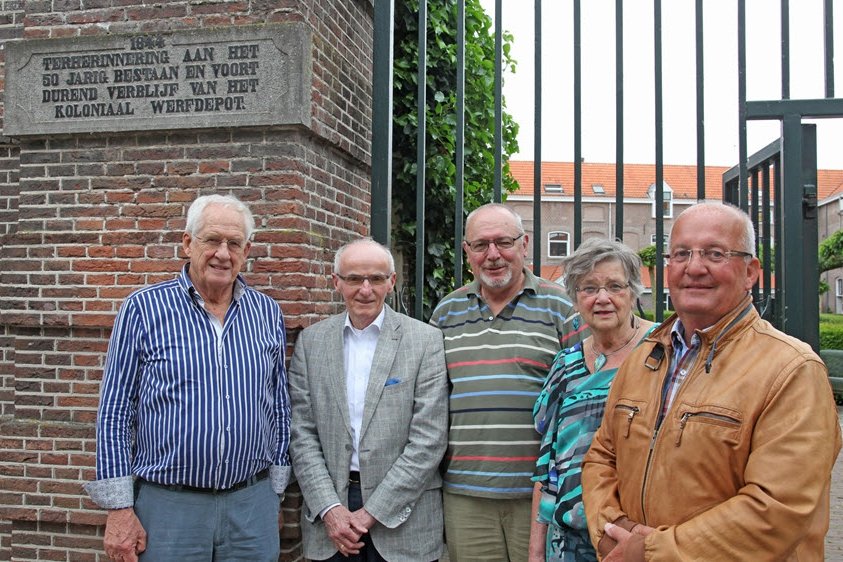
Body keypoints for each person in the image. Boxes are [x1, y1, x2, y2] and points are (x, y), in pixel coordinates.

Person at [582, 202, 842, 561]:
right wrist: (612, 531)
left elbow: (777, 508)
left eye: (715, 254)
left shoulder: (792, 370)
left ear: (750, 271)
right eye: (681, 253)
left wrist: (650, 552)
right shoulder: (645, 357)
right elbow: (601, 457)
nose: (694, 267)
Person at [85, 194, 291, 562]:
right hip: (169, 508)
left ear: (248, 250)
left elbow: (278, 405)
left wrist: (273, 491)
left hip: (251, 504)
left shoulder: (266, 312)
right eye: (211, 240)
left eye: (234, 244)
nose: (222, 254)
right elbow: (115, 413)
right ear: (187, 243)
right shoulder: (143, 309)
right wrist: (119, 509)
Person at [430, 203, 586, 562]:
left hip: (539, 492)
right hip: (466, 494)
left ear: (525, 244)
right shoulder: (447, 312)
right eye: (481, 245)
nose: (493, 255)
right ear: (467, 252)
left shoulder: (561, 307)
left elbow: (584, 394)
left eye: (503, 242)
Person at [289, 238, 448, 562]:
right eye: (354, 279)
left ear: (391, 282)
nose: (365, 289)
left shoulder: (425, 341)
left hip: (405, 521)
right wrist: (331, 509)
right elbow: (300, 432)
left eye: (376, 278)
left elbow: (429, 440)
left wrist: (370, 513)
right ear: (336, 282)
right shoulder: (311, 343)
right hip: (331, 517)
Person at [529, 238, 656, 562]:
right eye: (589, 288)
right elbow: (548, 465)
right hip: (568, 540)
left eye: (615, 286)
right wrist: (536, 551)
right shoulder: (565, 364)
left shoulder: (663, 349)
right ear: (575, 298)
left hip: (637, 536)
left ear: (633, 291)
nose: (602, 298)